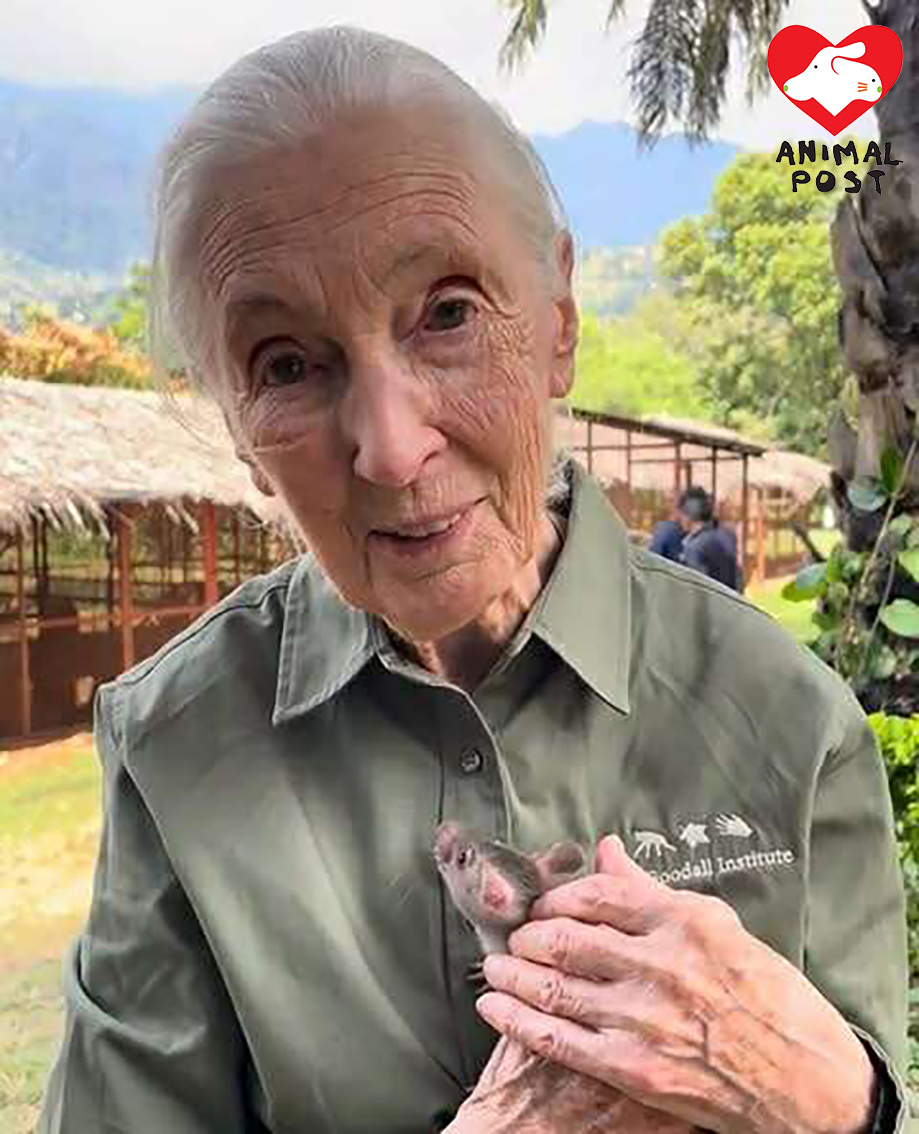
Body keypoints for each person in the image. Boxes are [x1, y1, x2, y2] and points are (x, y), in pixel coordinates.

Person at [38, 26, 908, 1134]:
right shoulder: (177, 742)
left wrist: (838, 1100)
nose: (392, 448)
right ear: (239, 432)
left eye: (447, 312)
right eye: (287, 365)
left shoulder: (787, 715)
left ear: (557, 325)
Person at [677, 486, 743, 592]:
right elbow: (738, 575)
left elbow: (698, 591)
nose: (679, 519)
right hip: (732, 599)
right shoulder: (727, 535)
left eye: (681, 515)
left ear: (687, 516)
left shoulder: (694, 547)